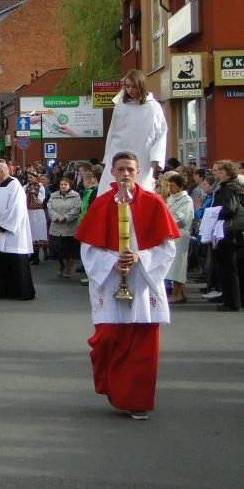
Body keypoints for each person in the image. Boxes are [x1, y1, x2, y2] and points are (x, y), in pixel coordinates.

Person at [76, 151, 179, 420]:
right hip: (111, 281)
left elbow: (167, 247)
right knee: (109, 338)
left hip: (143, 281)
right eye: (120, 169)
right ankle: (114, 386)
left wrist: (139, 258)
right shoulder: (101, 204)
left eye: (130, 169)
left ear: (138, 172)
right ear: (112, 171)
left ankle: (138, 400)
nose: (125, 174)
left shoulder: (154, 203)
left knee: (143, 345)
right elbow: (88, 248)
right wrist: (113, 262)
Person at [101, 70, 167, 191]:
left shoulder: (153, 107)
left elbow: (161, 133)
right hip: (117, 152)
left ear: (141, 86)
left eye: (134, 87)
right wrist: (107, 156)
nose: (130, 90)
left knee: (140, 190)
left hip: (142, 155)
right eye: (127, 86)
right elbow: (112, 131)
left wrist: (156, 157)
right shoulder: (120, 105)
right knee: (110, 190)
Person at [0, 160, 35, 300]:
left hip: (12, 233)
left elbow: (16, 209)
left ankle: (21, 292)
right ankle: (2, 291)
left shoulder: (15, 186)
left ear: (2, 171)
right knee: (0, 260)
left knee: (15, 261)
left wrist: (1, 227)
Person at [210, 160, 244, 312]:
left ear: (229, 173)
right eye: (217, 171)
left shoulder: (229, 187)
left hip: (228, 231)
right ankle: (234, 301)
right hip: (232, 232)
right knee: (232, 268)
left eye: (221, 171)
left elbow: (229, 209)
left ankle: (232, 303)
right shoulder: (232, 186)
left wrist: (214, 214)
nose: (217, 174)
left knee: (228, 268)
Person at [47, 173, 83, 279]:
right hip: (56, 226)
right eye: (62, 184)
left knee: (70, 250)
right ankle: (61, 265)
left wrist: (66, 217)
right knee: (57, 250)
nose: (63, 186)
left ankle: (68, 268)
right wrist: (57, 217)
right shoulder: (53, 195)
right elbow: (50, 208)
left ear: (69, 185)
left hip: (69, 227)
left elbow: (77, 209)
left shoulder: (75, 195)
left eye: (65, 184)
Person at [165, 174, 193, 304]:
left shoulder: (186, 200)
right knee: (173, 266)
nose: (170, 188)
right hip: (170, 234)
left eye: (173, 186)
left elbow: (181, 218)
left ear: (181, 187)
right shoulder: (171, 198)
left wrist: (165, 222)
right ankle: (180, 293)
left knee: (178, 266)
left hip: (180, 234)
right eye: (169, 186)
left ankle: (177, 293)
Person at [25, 171, 49, 264]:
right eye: (28, 177)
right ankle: (31, 255)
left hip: (37, 212)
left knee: (36, 232)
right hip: (28, 211)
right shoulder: (26, 186)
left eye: (31, 177)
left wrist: (33, 194)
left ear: (35, 178)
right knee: (30, 232)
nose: (29, 179)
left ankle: (36, 256)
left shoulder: (40, 186)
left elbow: (41, 200)